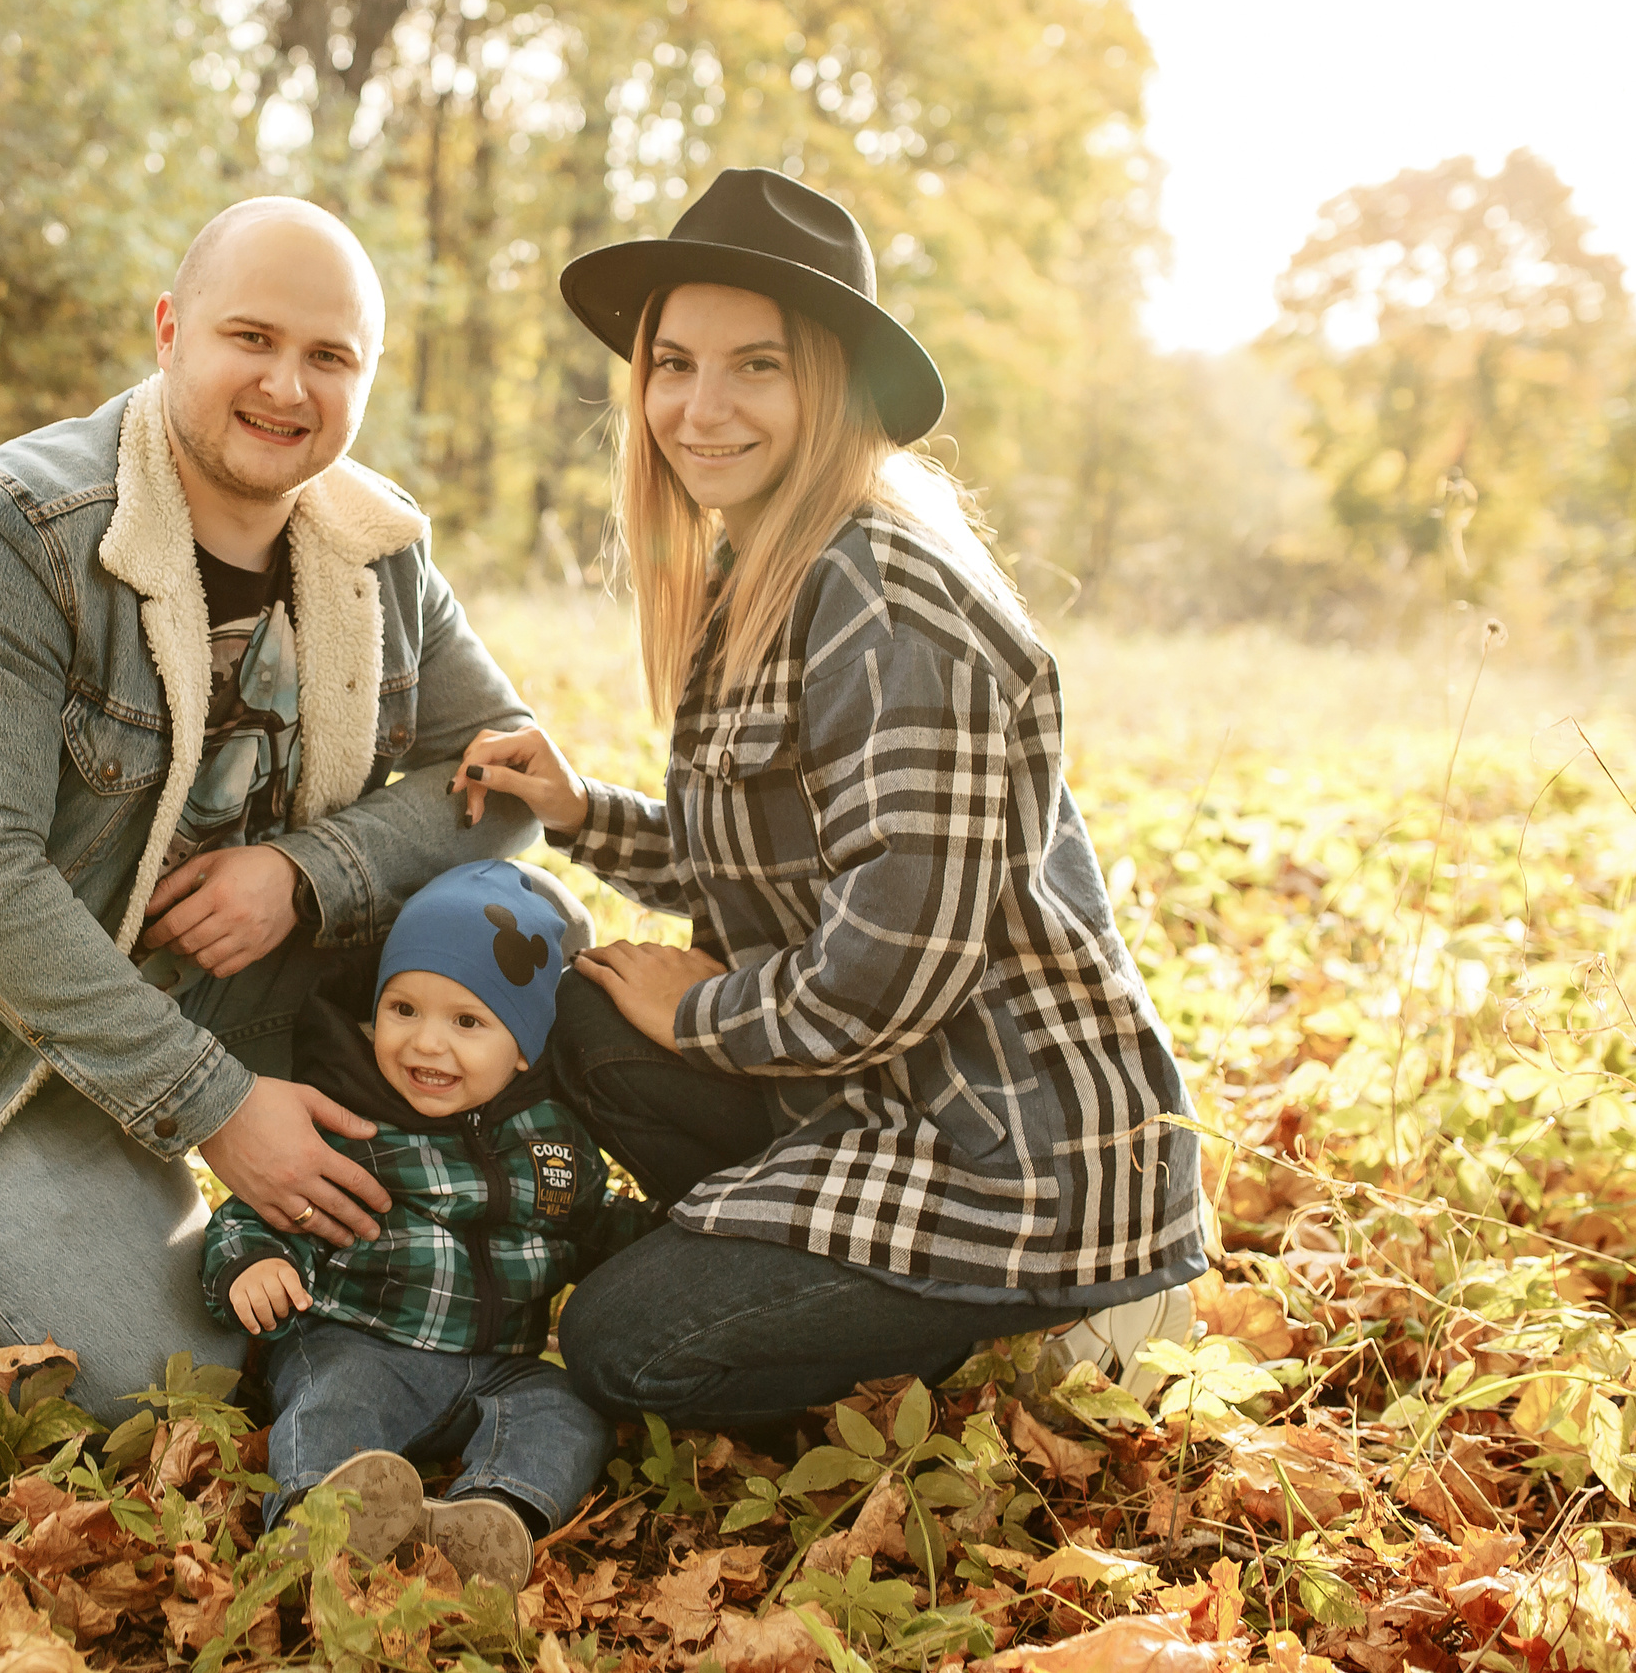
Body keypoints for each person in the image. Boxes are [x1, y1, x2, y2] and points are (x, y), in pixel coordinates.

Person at [448, 168, 1207, 1429]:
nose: (699, 407)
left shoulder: (894, 604)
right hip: (872, 1095)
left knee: (622, 1345)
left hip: (1014, 1163)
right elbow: (778, 862)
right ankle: (746, 1257)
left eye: (758, 366)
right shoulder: (777, 567)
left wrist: (703, 1022)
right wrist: (584, 816)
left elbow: (879, 974)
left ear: (833, 387)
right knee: (584, 1017)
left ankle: (1045, 1331)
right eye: (674, 363)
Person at [0, 197, 541, 1421]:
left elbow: (511, 775)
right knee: (175, 1385)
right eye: (252, 338)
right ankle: (20, 1212)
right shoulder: (8, 534)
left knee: (516, 943)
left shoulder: (372, 550)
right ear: (172, 331)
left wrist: (305, 870)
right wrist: (218, 1111)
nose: (286, 385)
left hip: (235, 996)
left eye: (329, 357)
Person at [201, 860, 645, 1591]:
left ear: (526, 1045)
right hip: (363, 1342)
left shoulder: (554, 1141)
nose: (425, 1044)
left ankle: (491, 1509)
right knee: (335, 1399)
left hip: (499, 1364)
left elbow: (595, 1226)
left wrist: (666, 1235)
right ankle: (322, 1517)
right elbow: (255, 1210)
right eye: (403, 1010)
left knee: (567, 1406)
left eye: (467, 1021)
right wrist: (251, 1262)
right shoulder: (350, 1120)